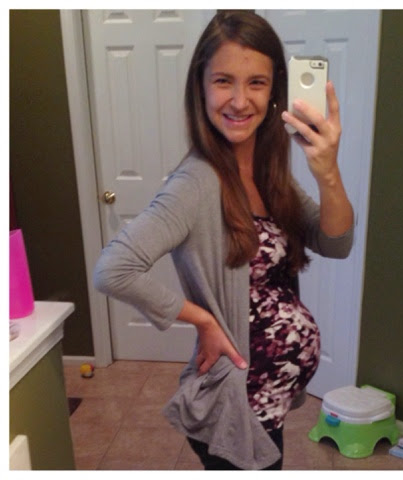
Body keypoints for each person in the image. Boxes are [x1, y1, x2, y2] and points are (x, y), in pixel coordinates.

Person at [94, 10, 354, 470]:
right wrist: (203, 320)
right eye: (223, 81)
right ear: (201, 87)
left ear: (274, 91)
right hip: (237, 405)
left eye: (256, 82)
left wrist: (328, 172)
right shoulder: (196, 182)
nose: (239, 100)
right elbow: (113, 269)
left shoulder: (268, 172)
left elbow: (335, 243)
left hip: (267, 400)